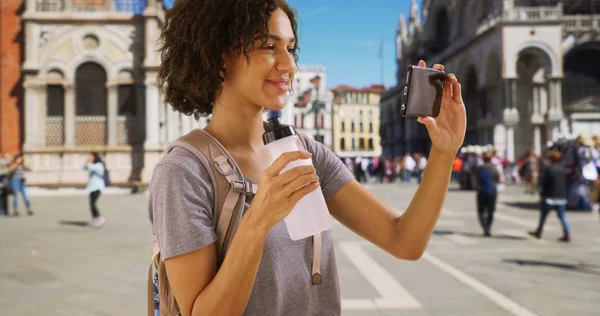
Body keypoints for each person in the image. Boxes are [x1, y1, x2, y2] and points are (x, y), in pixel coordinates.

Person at [148, 1, 466, 315]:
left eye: (290, 47)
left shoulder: (306, 152)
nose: (290, 65)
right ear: (216, 55)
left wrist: (443, 151)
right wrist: (257, 222)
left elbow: (403, 241)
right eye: (267, 47)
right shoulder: (184, 171)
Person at [529, 151, 571, 242]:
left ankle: (539, 231)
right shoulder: (563, 170)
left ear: (551, 159)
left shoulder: (549, 169)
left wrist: (542, 194)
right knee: (562, 217)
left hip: (549, 197)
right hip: (561, 197)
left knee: (543, 216)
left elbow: (544, 183)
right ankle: (567, 234)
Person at [475, 153, 502, 237]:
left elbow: (475, 179)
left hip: (481, 192)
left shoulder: (479, 169)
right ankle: (488, 228)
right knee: (491, 211)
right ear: (490, 160)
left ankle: (485, 228)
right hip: (492, 192)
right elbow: (500, 180)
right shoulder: (494, 169)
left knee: (481, 212)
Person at [84, 152, 107, 228]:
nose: (89, 157)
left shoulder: (99, 165)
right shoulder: (93, 164)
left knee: (93, 203)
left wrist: (89, 161)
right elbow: (84, 167)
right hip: (92, 187)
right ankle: (96, 219)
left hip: (97, 187)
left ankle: (99, 218)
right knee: (91, 204)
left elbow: (90, 167)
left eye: (91, 156)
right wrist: (88, 161)